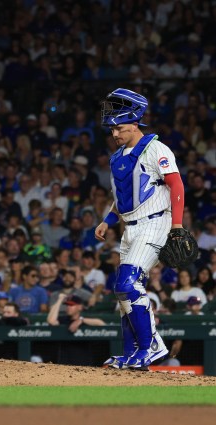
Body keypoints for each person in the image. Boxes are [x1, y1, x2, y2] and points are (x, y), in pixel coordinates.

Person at [95, 88, 187, 369]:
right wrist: (107, 220)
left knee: (127, 284)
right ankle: (131, 353)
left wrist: (177, 226)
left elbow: (177, 184)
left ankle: (151, 346)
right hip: (130, 229)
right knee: (122, 292)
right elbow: (122, 195)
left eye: (120, 128)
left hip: (155, 222)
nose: (115, 134)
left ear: (135, 124)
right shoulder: (118, 156)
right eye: (112, 130)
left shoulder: (155, 148)